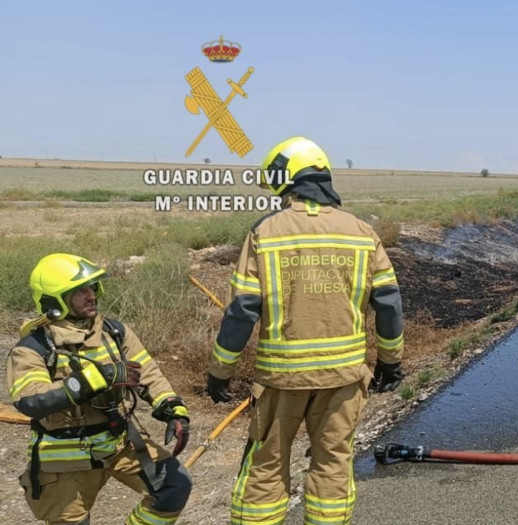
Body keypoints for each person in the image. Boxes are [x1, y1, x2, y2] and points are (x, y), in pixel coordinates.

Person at [206, 136, 405, 525]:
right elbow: (389, 303)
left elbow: (242, 311)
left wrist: (220, 373)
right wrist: (390, 364)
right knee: (332, 465)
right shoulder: (362, 233)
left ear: (288, 180)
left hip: (282, 380)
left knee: (265, 468)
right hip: (344, 379)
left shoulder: (265, 232)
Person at [7, 253, 192, 525]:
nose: (91, 295)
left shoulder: (114, 332)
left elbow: (148, 372)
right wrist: (96, 378)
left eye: (92, 287)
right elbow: (30, 400)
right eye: (80, 291)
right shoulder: (33, 348)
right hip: (65, 459)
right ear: (55, 300)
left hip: (119, 444)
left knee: (174, 485)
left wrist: (172, 408)